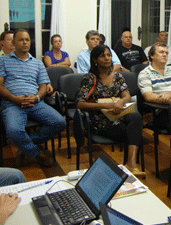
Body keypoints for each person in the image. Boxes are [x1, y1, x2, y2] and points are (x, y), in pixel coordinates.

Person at [76, 44, 145, 177]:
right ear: (95, 60)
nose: (107, 58)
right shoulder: (89, 78)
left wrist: (120, 101)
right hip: (99, 120)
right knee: (133, 133)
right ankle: (129, 166)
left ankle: (131, 164)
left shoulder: (117, 76)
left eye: (109, 55)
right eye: (102, 56)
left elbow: (126, 95)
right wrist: (106, 105)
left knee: (136, 117)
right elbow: (80, 104)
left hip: (118, 113)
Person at [0, 29, 66, 167]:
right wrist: (14, 98)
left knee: (59, 122)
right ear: (13, 42)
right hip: (12, 103)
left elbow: (43, 86)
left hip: (35, 103)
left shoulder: (37, 63)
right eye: (21, 39)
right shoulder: (3, 61)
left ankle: (24, 147)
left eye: (27, 40)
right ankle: (36, 153)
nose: (25, 42)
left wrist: (36, 98)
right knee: (13, 131)